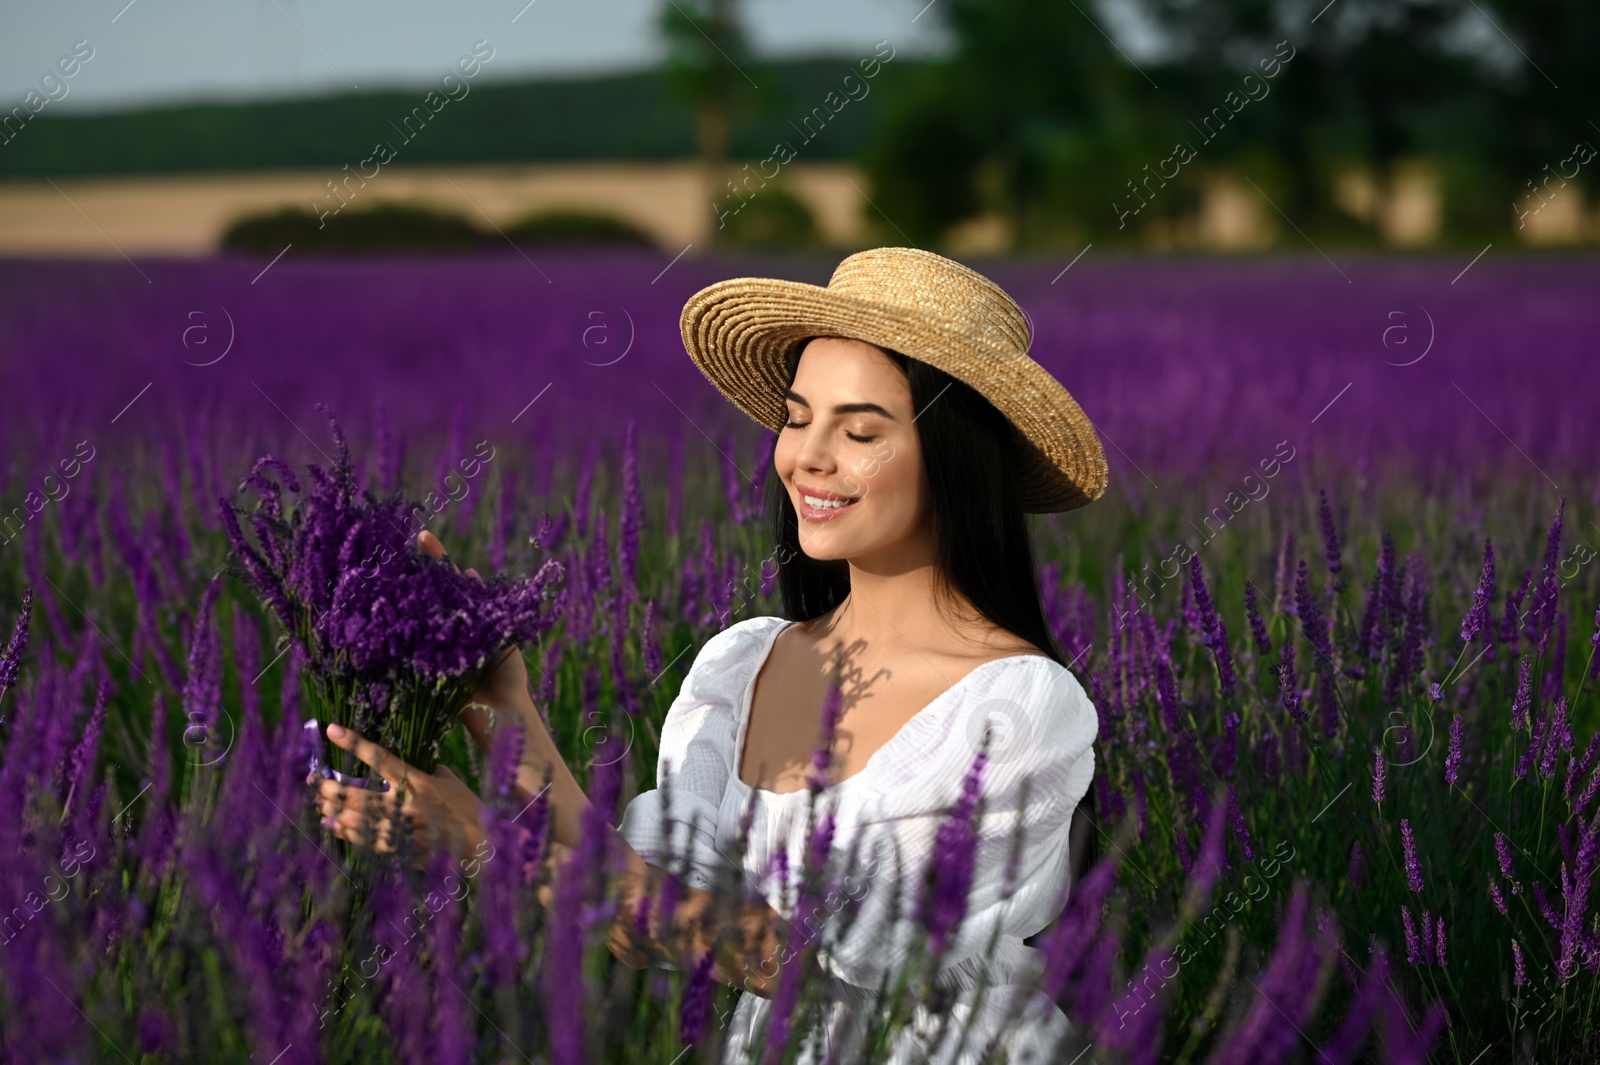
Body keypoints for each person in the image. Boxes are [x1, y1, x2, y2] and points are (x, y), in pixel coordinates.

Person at [311, 246, 1109, 1064]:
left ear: (954, 459)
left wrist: (492, 845)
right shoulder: (747, 663)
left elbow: (791, 955)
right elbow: (642, 903)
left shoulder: (1017, 707)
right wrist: (496, 702)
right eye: (798, 418)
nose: (807, 456)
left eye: (860, 429)